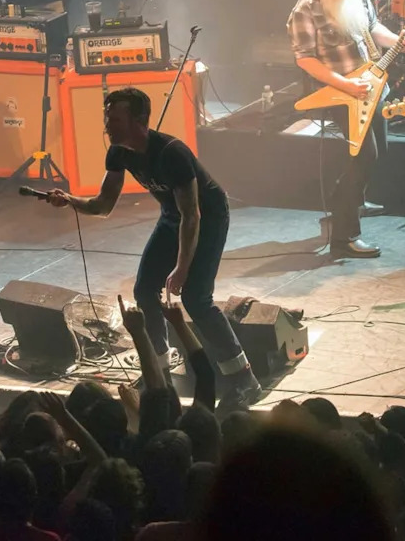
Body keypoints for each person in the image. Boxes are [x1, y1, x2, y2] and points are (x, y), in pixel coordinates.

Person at [41, 87, 262, 410]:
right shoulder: (118, 152)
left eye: (115, 119)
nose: (107, 125)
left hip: (207, 217)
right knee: (145, 291)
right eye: (107, 117)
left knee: (195, 299)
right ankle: (158, 372)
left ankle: (245, 379)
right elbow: (103, 206)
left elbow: (193, 215)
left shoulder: (172, 153)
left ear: (140, 120)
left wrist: (182, 267)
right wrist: (70, 200)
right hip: (173, 217)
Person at [286, 0, 405, 258]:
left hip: (370, 86)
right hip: (341, 93)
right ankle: (344, 237)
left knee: (377, 152)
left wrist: (397, 40)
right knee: (365, 157)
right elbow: (306, 60)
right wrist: (345, 85)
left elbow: (373, 26)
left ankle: (349, 200)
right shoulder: (304, 11)